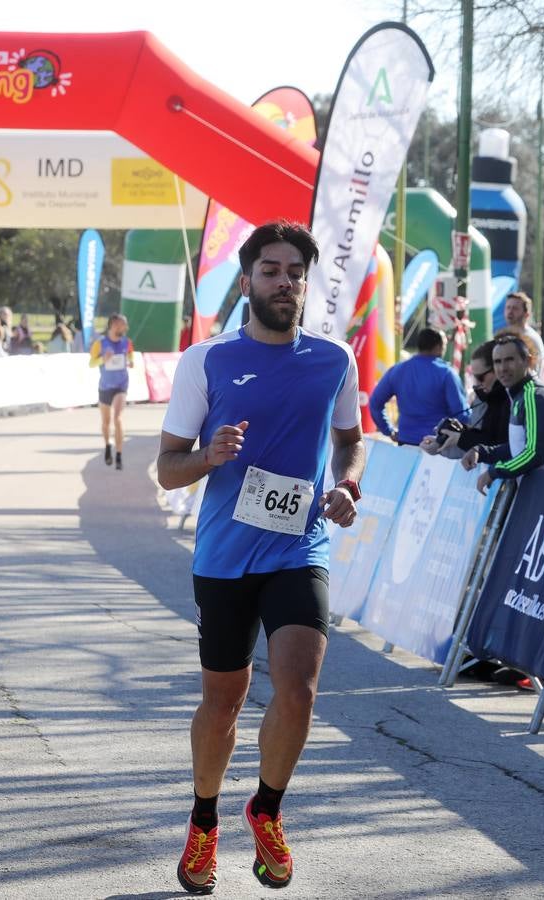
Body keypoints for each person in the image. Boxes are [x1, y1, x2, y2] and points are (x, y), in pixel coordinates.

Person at [157, 220, 365, 894]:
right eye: (271, 271)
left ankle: (267, 809)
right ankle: (204, 819)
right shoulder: (206, 360)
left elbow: (350, 441)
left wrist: (346, 484)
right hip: (223, 555)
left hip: (299, 546)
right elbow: (166, 470)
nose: (284, 282)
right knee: (225, 702)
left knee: (299, 689)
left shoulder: (335, 358)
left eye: (295, 272)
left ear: (307, 283)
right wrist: (207, 457)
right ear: (246, 281)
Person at [461, 335, 544, 493]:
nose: (503, 368)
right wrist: (481, 452)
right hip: (543, 491)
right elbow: (518, 446)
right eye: (497, 362)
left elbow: (535, 453)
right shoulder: (519, 393)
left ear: (528, 361)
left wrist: (494, 471)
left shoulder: (534, 396)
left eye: (509, 360)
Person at [367, 328, 468, 445]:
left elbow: (375, 403)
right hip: (438, 445)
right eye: (444, 345)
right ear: (438, 347)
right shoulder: (447, 373)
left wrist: (388, 431)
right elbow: (461, 413)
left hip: (406, 442)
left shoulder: (397, 370)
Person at [419, 340, 511, 459]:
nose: (476, 384)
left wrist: (460, 437)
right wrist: (448, 439)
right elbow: (486, 438)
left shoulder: (512, 398)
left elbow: (501, 445)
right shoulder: (488, 397)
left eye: (481, 377)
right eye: (474, 377)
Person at [90, 313, 135, 470]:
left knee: (118, 418)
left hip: (121, 385)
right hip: (105, 386)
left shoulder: (127, 342)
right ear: (114, 325)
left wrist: (131, 362)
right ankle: (108, 445)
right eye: (123, 325)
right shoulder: (100, 343)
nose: (125, 328)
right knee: (106, 422)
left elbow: (130, 356)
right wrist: (103, 359)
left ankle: (119, 455)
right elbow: (91, 363)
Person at [494, 291, 544, 375]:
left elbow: (534, 371)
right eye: (508, 307)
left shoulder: (531, 338)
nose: (510, 311)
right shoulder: (503, 335)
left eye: (515, 308)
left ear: (526, 314)